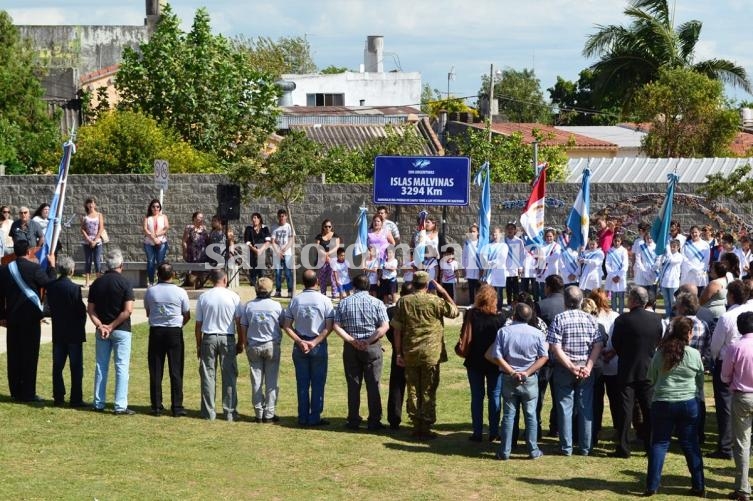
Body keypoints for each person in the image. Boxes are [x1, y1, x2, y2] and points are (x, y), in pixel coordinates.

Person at [391, 272, 459, 439]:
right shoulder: (435, 300)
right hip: (431, 353)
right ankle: (426, 425)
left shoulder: (403, 302)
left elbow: (397, 330)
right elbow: (455, 312)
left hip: (411, 351)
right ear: (427, 284)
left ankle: (416, 424)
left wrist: (398, 352)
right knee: (428, 389)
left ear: (413, 284)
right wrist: (443, 292)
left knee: (413, 388)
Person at [644, 316, 705, 497]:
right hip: (688, 404)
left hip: (662, 402)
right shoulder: (693, 354)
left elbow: (651, 377)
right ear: (688, 333)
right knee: (690, 444)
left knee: (659, 444)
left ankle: (652, 486)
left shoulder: (660, 352)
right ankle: (699, 485)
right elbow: (700, 381)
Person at [546, 285, 605, 456]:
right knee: (586, 406)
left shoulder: (559, 319)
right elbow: (598, 345)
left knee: (565, 407)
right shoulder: (591, 319)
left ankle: (566, 447)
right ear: (581, 301)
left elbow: (555, 347)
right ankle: (586, 447)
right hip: (585, 366)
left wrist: (571, 366)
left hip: (565, 367)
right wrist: (587, 367)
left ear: (565, 301)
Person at [488, 302, 549, 460]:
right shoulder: (537, 334)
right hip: (529, 379)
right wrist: (527, 372)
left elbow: (496, 355)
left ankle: (505, 451)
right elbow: (544, 357)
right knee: (531, 415)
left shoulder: (504, 332)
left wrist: (512, 372)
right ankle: (533, 449)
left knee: (508, 415)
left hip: (509, 377)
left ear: (514, 315)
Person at [610, 286, 664, 458]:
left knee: (625, 410)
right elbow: (657, 340)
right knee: (649, 409)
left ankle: (624, 447)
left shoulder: (622, 320)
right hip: (648, 369)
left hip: (627, 369)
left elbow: (616, 343)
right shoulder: (657, 319)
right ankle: (650, 447)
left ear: (632, 300)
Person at [0, 239, 56, 402]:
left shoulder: (4, 270)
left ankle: (15, 390)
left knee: (14, 354)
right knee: (30, 355)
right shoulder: (35, 268)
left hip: (12, 318)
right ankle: (28, 392)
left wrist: (2, 315)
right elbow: (50, 284)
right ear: (27, 252)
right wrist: (52, 267)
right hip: (31, 318)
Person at [332, 274, 389, 430]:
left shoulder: (344, 303)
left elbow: (336, 326)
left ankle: (353, 419)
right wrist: (368, 341)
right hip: (372, 347)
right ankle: (374, 420)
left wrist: (351, 340)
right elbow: (384, 326)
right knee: (373, 384)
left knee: (353, 384)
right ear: (368, 286)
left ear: (353, 286)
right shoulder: (377, 303)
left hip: (351, 348)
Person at [283, 270, 334, 426]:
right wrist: (315, 342)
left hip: (300, 345)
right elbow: (329, 326)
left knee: (302, 383)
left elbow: (286, 325)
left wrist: (299, 341)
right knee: (318, 382)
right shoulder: (325, 300)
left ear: (303, 282)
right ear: (317, 281)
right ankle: (315, 417)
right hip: (317, 344)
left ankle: (303, 416)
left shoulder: (295, 300)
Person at [708, 279, 753, 459]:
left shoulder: (727, 317)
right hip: (747, 358)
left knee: (725, 405)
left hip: (728, 359)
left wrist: (715, 359)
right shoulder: (746, 312)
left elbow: (716, 345)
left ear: (732, 296)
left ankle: (726, 445)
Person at [87, 248, 135, 414]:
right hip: (121, 329)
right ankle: (120, 405)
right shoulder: (125, 283)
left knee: (101, 366)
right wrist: (112, 325)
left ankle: (98, 403)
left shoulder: (96, 283)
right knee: (121, 367)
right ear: (121, 265)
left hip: (102, 331)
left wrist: (101, 325)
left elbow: (91, 309)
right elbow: (128, 310)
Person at [144, 261, 190, 417]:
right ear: (173, 275)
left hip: (156, 331)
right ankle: (177, 406)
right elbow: (187, 314)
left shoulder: (151, 291)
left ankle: (156, 406)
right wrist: (177, 325)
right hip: (174, 332)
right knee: (176, 370)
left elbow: (148, 312)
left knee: (156, 369)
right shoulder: (180, 292)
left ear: (158, 275)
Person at [194, 269, 241, 421]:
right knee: (229, 375)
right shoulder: (233, 296)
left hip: (209, 336)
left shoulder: (204, 297)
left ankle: (208, 412)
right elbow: (239, 322)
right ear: (225, 279)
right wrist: (241, 341)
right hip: (227, 338)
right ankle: (229, 412)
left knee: (208, 375)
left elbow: (198, 324)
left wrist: (199, 344)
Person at [463, 284, 506, 442]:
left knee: (477, 397)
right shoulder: (501, 318)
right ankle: (494, 432)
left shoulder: (471, 314)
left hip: (474, 361)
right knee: (495, 396)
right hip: (494, 361)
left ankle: (477, 432)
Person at [238, 277, 283, 423]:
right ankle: (269, 414)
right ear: (271, 289)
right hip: (271, 345)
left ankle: (258, 413)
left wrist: (245, 343)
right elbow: (282, 323)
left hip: (254, 345)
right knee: (271, 381)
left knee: (256, 381)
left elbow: (243, 326)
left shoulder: (249, 306)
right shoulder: (276, 306)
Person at [46, 255, 87, 407]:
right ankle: (76, 398)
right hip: (74, 333)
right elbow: (81, 311)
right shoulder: (74, 288)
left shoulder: (52, 287)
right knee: (76, 368)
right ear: (71, 270)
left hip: (58, 331)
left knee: (57, 367)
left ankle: (58, 397)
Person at [721, 311, 753, 501]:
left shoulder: (735, 347)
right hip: (743, 395)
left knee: (742, 443)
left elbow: (725, 376)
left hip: (742, 396)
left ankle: (742, 488)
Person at [534, 274, 566, 438]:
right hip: (564, 356)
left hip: (544, 356)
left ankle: (536, 428)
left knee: (539, 394)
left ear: (548, 287)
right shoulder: (569, 304)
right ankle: (557, 427)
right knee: (559, 395)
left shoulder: (540, 305)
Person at [589, 289, 620, 447]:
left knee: (597, 399)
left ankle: (596, 426)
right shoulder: (615, 316)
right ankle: (618, 427)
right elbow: (620, 339)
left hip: (598, 361)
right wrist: (612, 352)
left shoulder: (592, 317)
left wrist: (603, 354)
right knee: (615, 399)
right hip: (612, 360)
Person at [386, 281, 414, 430]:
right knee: (416, 386)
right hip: (414, 350)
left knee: (397, 386)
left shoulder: (391, 311)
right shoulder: (416, 311)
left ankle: (394, 419)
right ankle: (417, 417)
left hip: (398, 351)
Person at [142, 198, 169, 287]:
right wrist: (153, 238)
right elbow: (145, 230)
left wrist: (156, 235)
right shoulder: (147, 218)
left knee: (160, 262)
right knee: (150, 261)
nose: (155, 208)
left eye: (157, 206)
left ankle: (161, 281)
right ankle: (151, 281)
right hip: (149, 243)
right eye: (153, 206)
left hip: (161, 242)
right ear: (150, 208)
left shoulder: (163, 217)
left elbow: (166, 228)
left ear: (160, 208)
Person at [81, 197, 105, 288]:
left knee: (97, 260)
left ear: (95, 205)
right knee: (88, 261)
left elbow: (101, 228)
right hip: (87, 241)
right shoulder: (85, 216)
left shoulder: (99, 215)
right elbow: (82, 229)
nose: (91, 205)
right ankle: (87, 282)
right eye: (89, 203)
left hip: (97, 241)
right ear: (86, 205)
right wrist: (88, 239)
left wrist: (95, 240)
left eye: (92, 203)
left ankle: (98, 281)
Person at [658, 239, 684, 320]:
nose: (672, 248)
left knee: (673, 301)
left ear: (678, 247)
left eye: (674, 247)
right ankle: (668, 316)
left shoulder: (679, 256)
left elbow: (672, 260)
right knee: (666, 301)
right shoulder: (666, 255)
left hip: (673, 282)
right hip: (664, 282)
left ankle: (674, 316)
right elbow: (660, 265)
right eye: (671, 246)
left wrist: (668, 250)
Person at [242, 212, 270, 287]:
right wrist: (255, 250)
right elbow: (247, 242)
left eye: (255, 218)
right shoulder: (249, 229)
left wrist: (260, 250)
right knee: (253, 274)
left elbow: (268, 241)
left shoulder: (265, 228)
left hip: (262, 253)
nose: (254, 220)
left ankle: (262, 290)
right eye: (253, 218)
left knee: (262, 273)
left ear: (259, 219)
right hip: (252, 254)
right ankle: (253, 290)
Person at [314, 219, 340, 298]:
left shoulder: (335, 235)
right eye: (326, 226)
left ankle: (334, 294)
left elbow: (337, 246)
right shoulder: (319, 236)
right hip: (322, 259)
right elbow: (317, 247)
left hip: (333, 259)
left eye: (329, 226)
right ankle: (323, 294)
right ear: (323, 227)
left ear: (331, 227)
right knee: (322, 278)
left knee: (333, 277)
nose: (328, 228)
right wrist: (325, 255)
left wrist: (328, 254)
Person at [182, 211, 208, 287]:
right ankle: (192, 285)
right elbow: (184, 241)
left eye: (202, 218)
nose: (201, 219)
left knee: (201, 269)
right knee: (193, 270)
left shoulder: (204, 228)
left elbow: (207, 240)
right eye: (199, 217)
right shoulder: (189, 228)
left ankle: (200, 284)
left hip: (202, 252)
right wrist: (184, 252)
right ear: (194, 218)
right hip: (192, 252)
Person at [271, 209, 294, 298]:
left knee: (288, 272)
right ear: (278, 217)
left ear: (286, 216)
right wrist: (278, 252)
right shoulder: (274, 227)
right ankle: (278, 291)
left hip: (287, 253)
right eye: (280, 216)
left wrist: (284, 250)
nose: (281, 218)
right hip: (277, 253)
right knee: (277, 273)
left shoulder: (289, 226)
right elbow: (272, 241)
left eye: (283, 216)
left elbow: (291, 240)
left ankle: (290, 291)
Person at [534, 229, 561, 300]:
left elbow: (555, 257)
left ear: (554, 236)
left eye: (550, 236)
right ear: (545, 237)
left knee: (553, 292)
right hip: (543, 272)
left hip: (552, 271)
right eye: (547, 236)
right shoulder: (541, 245)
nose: (549, 238)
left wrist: (543, 258)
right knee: (543, 292)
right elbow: (536, 256)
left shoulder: (557, 246)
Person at [681, 226, 710, 292]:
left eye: (696, 232)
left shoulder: (705, 244)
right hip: (689, 273)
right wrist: (693, 268)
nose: (694, 234)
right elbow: (684, 258)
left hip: (701, 274)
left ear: (699, 232)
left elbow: (706, 259)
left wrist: (699, 269)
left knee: (701, 295)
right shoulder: (686, 245)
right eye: (692, 232)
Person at [605, 235, 629, 314]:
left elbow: (625, 264)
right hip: (612, 277)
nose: (617, 243)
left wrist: (619, 276)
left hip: (621, 277)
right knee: (613, 297)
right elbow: (607, 264)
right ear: (613, 241)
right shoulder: (610, 251)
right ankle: (614, 314)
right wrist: (613, 276)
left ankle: (621, 313)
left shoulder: (624, 251)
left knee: (621, 297)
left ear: (621, 241)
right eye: (615, 241)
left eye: (618, 241)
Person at [505, 223, 525, 304]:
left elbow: (522, 255)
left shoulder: (519, 241)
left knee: (516, 288)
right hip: (506, 268)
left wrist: (520, 267)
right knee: (508, 288)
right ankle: (509, 303)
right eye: (508, 229)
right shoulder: (503, 241)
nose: (510, 230)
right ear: (506, 230)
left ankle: (516, 303)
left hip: (515, 268)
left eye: (512, 229)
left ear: (515, 230)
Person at [634, 228, 658, 297]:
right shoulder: (641, 246)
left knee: (652, 295)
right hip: (643, 271)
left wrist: (653, 269)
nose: (649, 239)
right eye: (648, 237)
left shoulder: (656, 246)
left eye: (651, 238)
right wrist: (643, 271)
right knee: (642, 295)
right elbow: (638, 259)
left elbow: (658, 259)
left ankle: (652, 307)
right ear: (645, 237)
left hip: (653, 271)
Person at [462, 224, 481, 303]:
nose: (472, 233)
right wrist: (463, 268)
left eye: (474, 231)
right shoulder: (467, 243)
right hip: (469, 269)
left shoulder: (481, 243)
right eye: (471, 231)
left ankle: (478, 304)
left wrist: (482, 268)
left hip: (478, 269)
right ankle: (471, 303)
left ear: (477, 233)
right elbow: (464, 256)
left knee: (478, 288)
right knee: (471, 287)